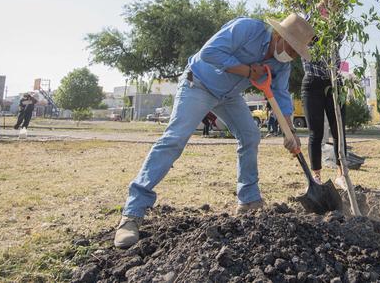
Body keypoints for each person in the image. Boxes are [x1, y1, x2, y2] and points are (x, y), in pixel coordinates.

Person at [114, 13, 315, 248]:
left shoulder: (282, 65)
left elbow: (280, 95)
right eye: (291, 48)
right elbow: (210, 53)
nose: (290, 56)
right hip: (198, 83)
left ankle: (249, 201)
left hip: (228, 96)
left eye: (295, 53)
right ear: (279, 35)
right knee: (174, 140)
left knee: (250, 135)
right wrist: (249, 72)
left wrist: (288, 130)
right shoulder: (247, 29)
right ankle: (132, 213)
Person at [301, 46, 348, 191]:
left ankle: (341, 176)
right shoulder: (304, 26)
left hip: (334, 82)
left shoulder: (333, 26)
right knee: (315, 133)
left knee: (339, 132)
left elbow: (340, 34)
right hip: (312, 83)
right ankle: (316, 177)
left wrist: (329, 22)